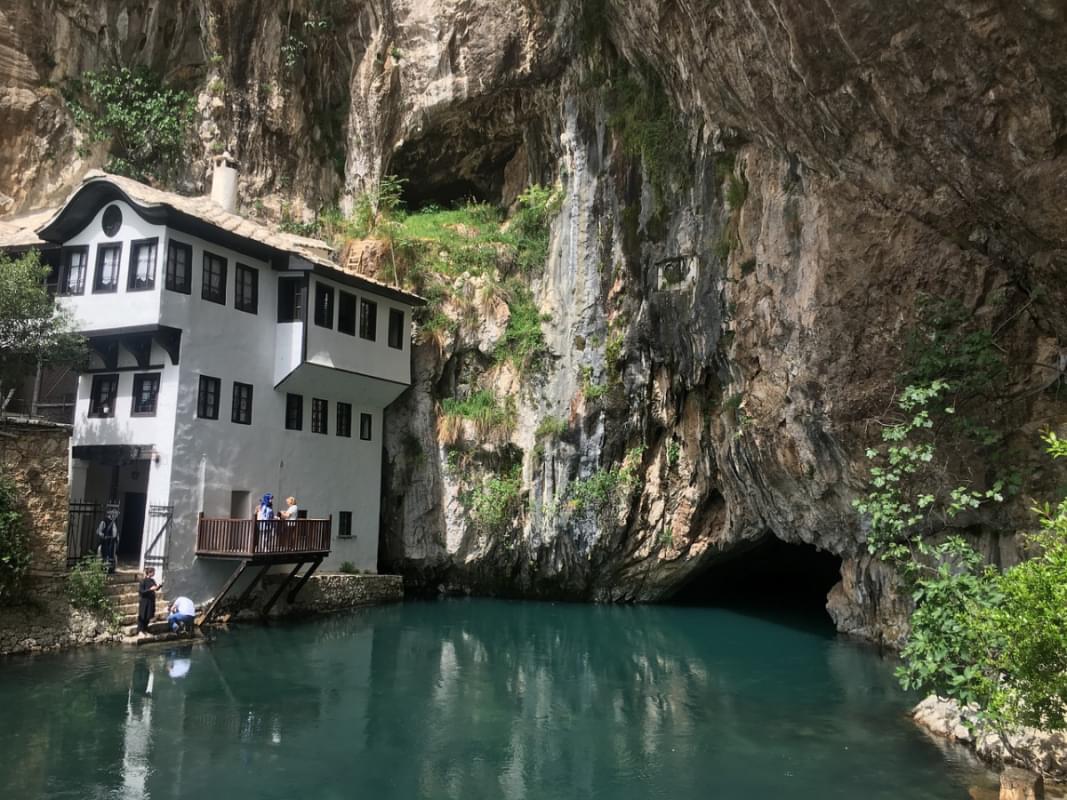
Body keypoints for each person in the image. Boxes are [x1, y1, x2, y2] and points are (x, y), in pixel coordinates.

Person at [137, 566, 162, 637]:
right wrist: (150, 589)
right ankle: (140, 631)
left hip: (151, 601)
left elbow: (155, 588)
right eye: (153, 572)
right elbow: (141, 592)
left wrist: (159, 586)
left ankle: (145, 630)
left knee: (148, 615)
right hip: (144, 601)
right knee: (142, 615)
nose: (154, 573)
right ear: (150, 572)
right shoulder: (143, 581)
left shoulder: (152, 580)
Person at [96, 508, 119, 573]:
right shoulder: (104, 521)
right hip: (106, 542)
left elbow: (115, 532)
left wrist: (117, 538)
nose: (115, 515)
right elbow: (98, 531)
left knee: (112, 556)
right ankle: (104, 570)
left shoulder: (114, 521)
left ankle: (111, 569)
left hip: (112, 542)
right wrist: (102, 535)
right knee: (105, 556)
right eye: (114, 513)